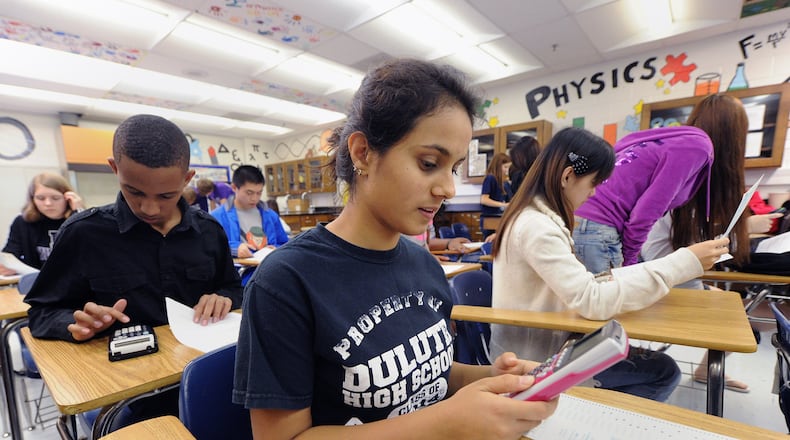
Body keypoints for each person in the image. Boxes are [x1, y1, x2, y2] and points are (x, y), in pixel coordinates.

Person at [233, 58, 557, 438]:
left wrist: (489, 378)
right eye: (428, 163)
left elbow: (425, 375)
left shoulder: (425, 265)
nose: (448, 189)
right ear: (363, 154)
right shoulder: (286, 281)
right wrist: (446, 423)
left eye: (452, 169)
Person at [24, 114, 243, 428]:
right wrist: (74, 322)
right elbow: (41, 312)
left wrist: (222, 296)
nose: (150, 209)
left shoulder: (209, 231)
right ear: (115, 169)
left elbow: (233, 287)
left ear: (187, 178)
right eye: (135, 192)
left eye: (166, 196)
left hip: (207, 378)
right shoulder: (84, 234)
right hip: (129, 392)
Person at [489, 127, 730, 402]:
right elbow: (591, 298)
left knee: (640, 356)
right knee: (664, 372)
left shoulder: (537, 218)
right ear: (568, 176)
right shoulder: (537, 226)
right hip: (537, 358)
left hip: (550, 342)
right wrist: (685, 261)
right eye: (593, 183)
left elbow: (589, 287)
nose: (593, 194)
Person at [641, 94, 778, 393]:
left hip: (670, 273)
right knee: (740, 323)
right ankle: (707, 371)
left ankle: (706, 371)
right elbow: (655, 252)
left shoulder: (699, 177)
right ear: (733, 138)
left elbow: (675, 242)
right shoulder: (683, 176)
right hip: (660, 276)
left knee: (736, 310)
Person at [0, 173, 85, 275]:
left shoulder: (79, 220)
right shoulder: (22, 222)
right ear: (32, 199)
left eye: (55, 198)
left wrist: (80, 214)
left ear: (68, 198)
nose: (48, 203)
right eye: (40, 198)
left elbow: (93, 251)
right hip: (37, 283)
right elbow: (11, 255)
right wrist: (6, 267)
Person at [211, 165, 289, 259]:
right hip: (237, 271)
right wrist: (235, 249)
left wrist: (275, 249)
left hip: (268, 269)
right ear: (234, 187)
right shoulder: (217, 217)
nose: (254, 198)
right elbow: (210, 247)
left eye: (259, 193)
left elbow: (285, 244)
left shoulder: (270, 215)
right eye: (249, 193)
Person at [480, 152, 511, 238]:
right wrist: (503, 205)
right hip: (489, 219)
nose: (506, 170)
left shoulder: (504, 183)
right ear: (498, 166)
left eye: (508, 167)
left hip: (499, 217)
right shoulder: (490, 178)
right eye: (505, 167)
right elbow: (484, 199)